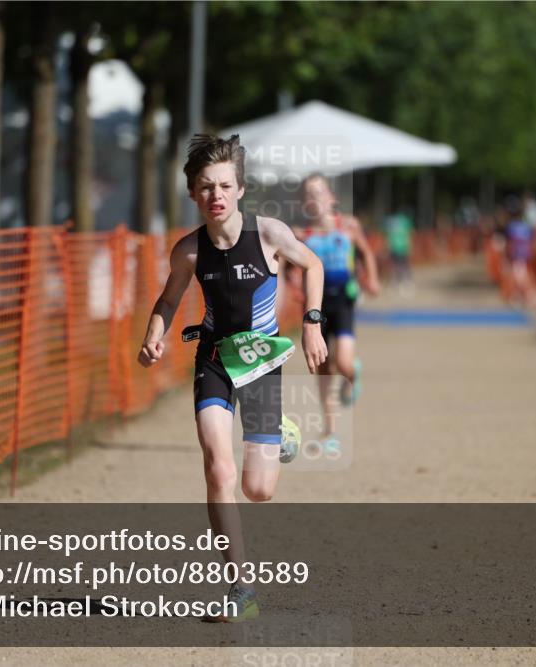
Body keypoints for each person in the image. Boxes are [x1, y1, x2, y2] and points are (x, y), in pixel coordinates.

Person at [137, 134, 327, 622]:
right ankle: (241, 590)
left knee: (258, 489)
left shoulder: (269, 235)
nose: (215, 195)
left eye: (224, 185)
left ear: (240, 189)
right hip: (215, 361)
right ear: (192, 193)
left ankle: (283, 430)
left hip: (262, 363)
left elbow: (314, 265)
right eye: (205, 187)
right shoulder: (188, 251)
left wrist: (311, 324)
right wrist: (153, 335)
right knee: (217, 468)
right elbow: (167, 300)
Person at [296, 173, 380, 454]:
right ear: (305, 203)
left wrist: (372, 278)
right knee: (323, 370)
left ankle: (352, 375)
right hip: (316, 307)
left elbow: (366, 252)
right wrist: (292, 287)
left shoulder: (348, 226)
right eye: (309, 194)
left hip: (343, 301)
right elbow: (287, 268)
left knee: (343, 363)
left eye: (319, 192)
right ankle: (330, 429)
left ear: (332, 198)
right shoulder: (302, 235)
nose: (315, 198)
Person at [503, 196, 533, 307]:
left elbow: (510, 243)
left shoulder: (511, 226)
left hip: (516, 254)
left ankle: (525, 296)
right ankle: (522, 296)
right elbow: (530, 241)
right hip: (525, 254)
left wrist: (508, 254)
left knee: (518, 276)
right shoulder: (526, 226)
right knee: (522, 275)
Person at [384, 209, 414, 293]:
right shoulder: (399, 222)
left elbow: (407, 235)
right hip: (397, 248)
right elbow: (389, 237)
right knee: (398, 267)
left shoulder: (392, 222)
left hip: (401, 248)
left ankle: (404, 283)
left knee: (401, 266)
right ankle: (398, 283)